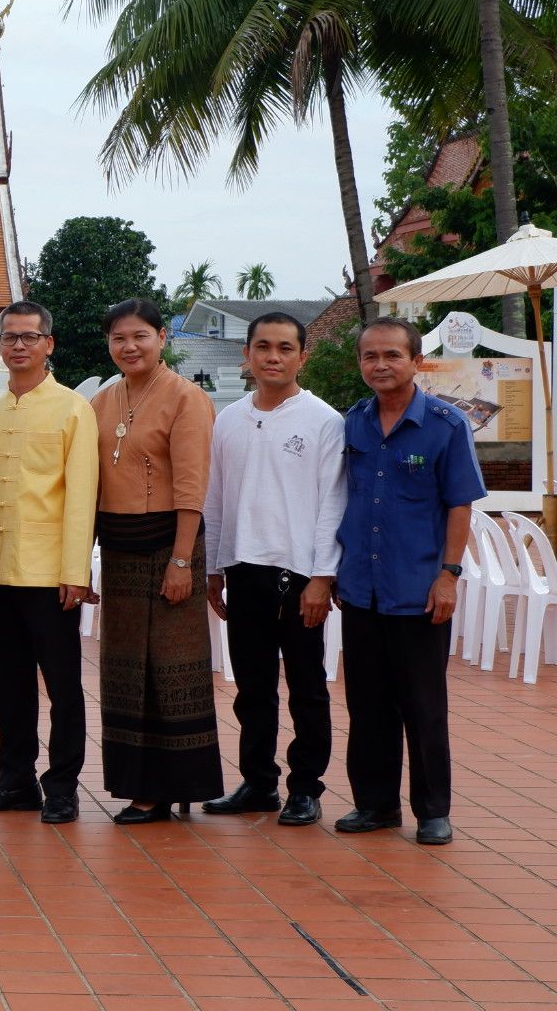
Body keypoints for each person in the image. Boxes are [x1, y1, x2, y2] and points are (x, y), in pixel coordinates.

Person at [334, 317, 483, 847]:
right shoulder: (352, 423)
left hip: (419, 590)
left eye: (392, 355)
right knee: (367, 703)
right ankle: (374, 805)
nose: (380, 365)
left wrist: (448, 575)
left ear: (415, 360)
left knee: (422, 704)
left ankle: (432, 810)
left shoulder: (445, 424)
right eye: (370, 356)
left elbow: (459, 504)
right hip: (360, 587)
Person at [202, 312, 344, 826]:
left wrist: (322, 577)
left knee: (307, 687)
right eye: (263, 346)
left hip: (300, 574)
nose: (273, 357)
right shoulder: (229, 419)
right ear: (247, 354)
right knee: (252, 688)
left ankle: (305, 786)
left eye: (285, 348)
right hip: (244, 569)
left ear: (302, 356)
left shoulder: (324, 421)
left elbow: (334, 503)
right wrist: (214, 567)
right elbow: (215, 499)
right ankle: (258, 782)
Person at [90, 298, 222, 824]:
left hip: (172, 546)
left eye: (140, 335)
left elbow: (192, 485)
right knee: (124, 669)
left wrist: (182, 561)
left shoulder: (186, 398)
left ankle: (171, 787)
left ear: (162, 337)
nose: (129, 346)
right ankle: (136, 783)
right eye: (119, 338)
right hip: (120, 551)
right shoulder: (102, 401)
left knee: (170, 670)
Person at [0, 301, 97, 825]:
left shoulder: (71, 409)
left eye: (29, 336)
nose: (18, 345)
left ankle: (62, 786)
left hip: (49, 575)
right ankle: (15, 781)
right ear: (0, 346)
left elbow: (81, 493)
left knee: (62, 686)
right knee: (7, 684)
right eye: (9, 337)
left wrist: (75, 571)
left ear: (49, 344)